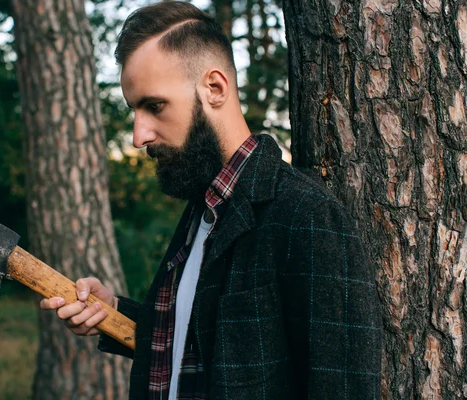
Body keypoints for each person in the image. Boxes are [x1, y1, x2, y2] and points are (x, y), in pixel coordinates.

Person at [40, 1, 382, 399]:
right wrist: (113, 309)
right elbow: (201, 337)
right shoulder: (204, 209)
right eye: (135, 110)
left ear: (215, 89)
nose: (139, 136)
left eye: (154, 106)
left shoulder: (305, 217)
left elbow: (341, 388)